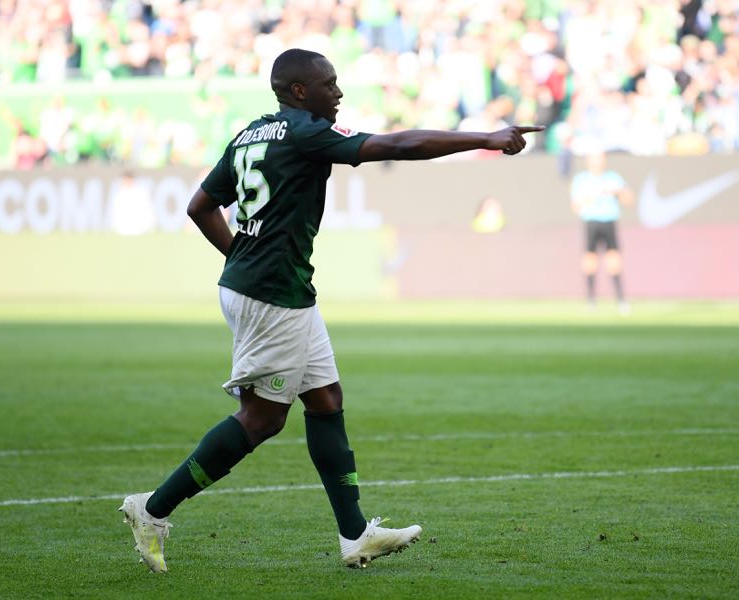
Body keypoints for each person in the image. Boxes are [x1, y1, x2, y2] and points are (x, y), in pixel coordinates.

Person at [119, 48, 543, 573]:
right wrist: (483, 138)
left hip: (276, 287)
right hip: (271, 294)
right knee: (262, 419)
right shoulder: (304, 132)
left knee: (324, 399)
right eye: (330, 83)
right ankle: (152, 509)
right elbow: (397, 145)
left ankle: (354, 536)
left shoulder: (253, 133)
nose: (338, 93)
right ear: (300, 91)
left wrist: (242, 257)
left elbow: (199, 206)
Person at [569, 150, 634, 313]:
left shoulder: (613, 178)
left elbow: (629, 200)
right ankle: (591, 299)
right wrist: (592, 196)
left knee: (614, 258)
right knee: (590, 259)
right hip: (591, 221)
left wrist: (619, 191)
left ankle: (620, 298)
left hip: (609, 220)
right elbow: (576, 206)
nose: (598, 162)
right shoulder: (581, 180)